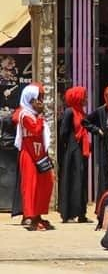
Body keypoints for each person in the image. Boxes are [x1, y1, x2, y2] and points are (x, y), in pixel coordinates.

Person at [14, 84, 54, 231]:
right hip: (29, 155)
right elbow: (36, 130)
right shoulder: (25, 115)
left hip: (40, 154)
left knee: (46, 182)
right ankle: (30, 217)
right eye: (39, 98)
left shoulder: (36, 115)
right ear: (30, 99)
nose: (41, 101)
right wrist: (41, 118)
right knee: (31, 185)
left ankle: (39, 214)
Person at [59, 86, 92, 223]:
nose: (86, 99)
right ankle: (69, 213)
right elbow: (63, 133)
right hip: (72, 151)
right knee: (73, 180)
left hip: (81, 150)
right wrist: (69, 148)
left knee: (81, 181)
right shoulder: (69, 112)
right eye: (84, 96)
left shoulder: (81, 113)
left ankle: (81, 213)